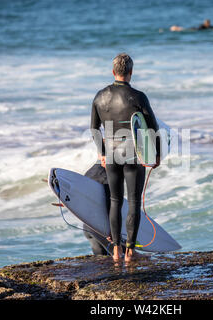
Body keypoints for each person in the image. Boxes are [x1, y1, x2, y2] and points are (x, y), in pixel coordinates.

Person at [90, 53, 160, 263]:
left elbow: (94, 128)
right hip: (132, 153)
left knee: (115, 200)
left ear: (113, 72)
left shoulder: (100, 96)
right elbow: (153, 127)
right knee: (134, 202)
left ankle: (116, 252)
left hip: (111, 153)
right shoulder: (138, 97)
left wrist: (102, 152)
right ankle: (130, 253)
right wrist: (155, 154)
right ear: (130, 72)